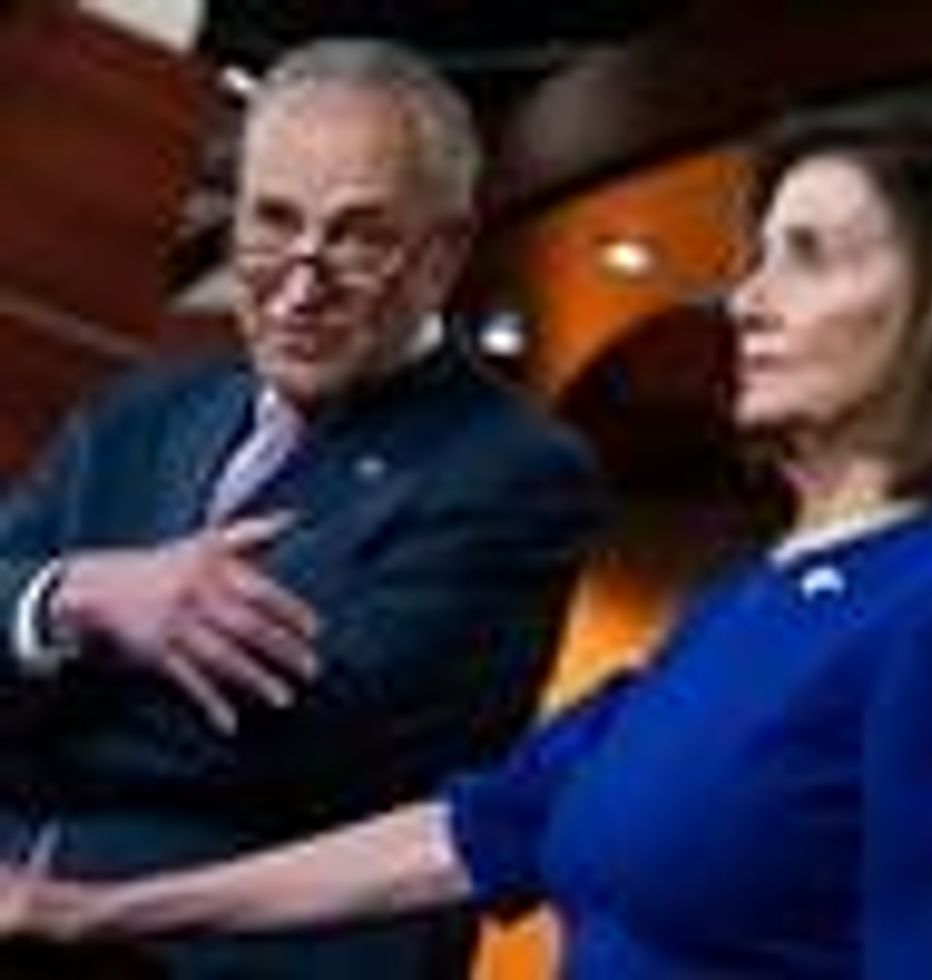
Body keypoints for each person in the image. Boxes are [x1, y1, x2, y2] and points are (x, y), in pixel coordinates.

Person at [15, 76, 932, 978]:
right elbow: (469, 833)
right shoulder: (747, 605)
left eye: (809, 258)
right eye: (758, 258)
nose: (746, 303)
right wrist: (92, 911)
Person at [0, 37, 602, 979]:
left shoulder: (517, 473)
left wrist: (45, 657)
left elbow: (292, 747)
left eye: (358, 235)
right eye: (273, 221)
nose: (302, 279)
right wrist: (76, 597)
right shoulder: (142, 410)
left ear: (443, 254)